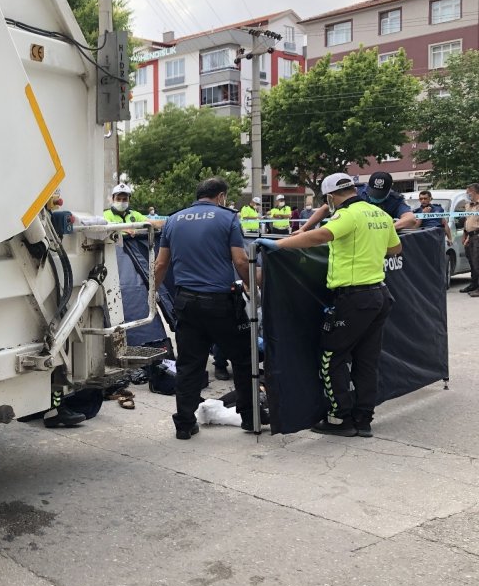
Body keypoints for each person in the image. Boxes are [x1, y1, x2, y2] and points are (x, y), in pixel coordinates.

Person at [255, 173, 402, 437]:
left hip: (355, 297)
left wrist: (280, 245)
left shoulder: (346, 215)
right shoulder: (378, 213)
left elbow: (318, 237)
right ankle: (363, 419)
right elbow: (395, 249)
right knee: (366, 361)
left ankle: (340, 419)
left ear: (331, 197)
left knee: (331, 357)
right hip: (380, 295)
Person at [153, 177, 254, 439]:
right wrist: (253, 285)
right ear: (221, 196)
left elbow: (160, 265)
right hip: (221, 303)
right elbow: (241, 260)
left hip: (186, 302)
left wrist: (152, 292)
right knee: (243, 359)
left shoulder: (173, 220)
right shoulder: (228, 218)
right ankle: (250, 418)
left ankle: (185, 424)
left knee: (189, 364)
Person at [298, 171, 418, 233]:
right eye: (373, 192)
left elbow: (410, 219)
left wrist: (386, 228)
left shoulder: (395, 200)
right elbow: (325, 209)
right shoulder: (355, 192)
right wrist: (304, 228)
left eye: (380, 194)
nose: (375, 197)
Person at [462, 183, 479, 296]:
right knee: (472, 262)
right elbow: (467, 221)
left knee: (478, 262)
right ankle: (474, 284)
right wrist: (466, 235)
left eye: (469, 192)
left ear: (475, 192)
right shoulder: (468, 205)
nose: (467, 194)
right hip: (470, 236)